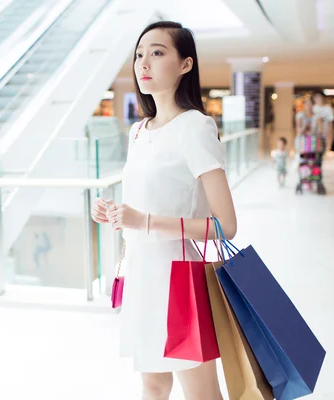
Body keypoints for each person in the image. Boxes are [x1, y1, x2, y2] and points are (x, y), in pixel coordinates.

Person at [91, 21, 236, 400]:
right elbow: (144, 204)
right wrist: (116, 214)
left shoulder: (196, 128)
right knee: (152, 383)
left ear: (185, 64)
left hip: (181, 279)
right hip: (142, 273)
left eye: (157, 52)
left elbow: (225, 226)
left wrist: (146, 221)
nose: (144, 63)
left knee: (201, 392)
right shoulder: (140, 131)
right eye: (139, 54)